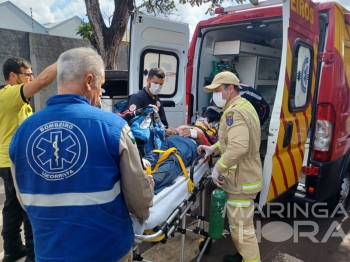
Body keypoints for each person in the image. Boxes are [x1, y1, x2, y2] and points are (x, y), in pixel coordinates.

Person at [9, 47, 153, 262]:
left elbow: (24, 198)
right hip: (106, 250)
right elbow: (137, 196)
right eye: (101, 85)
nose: (100, 93)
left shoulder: (22, 132)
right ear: (88, 82)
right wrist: (145, 209)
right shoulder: (113, 126)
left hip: (49, 252)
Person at [198, 71, 262, 262]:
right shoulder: (245, 106)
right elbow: (232, 142)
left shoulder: (233, 112)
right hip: (246, 176)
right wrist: (213, 149)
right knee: (241, 228)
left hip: (241, 181)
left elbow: (239, 147)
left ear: (230, 89)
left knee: (242, 231)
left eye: (217, 91)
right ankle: (243, 257)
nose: (214, 96)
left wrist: (218, 168)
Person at [0, 57, 57, 262]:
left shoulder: (10, 97)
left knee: (13, 206)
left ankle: (13, 249)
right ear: (13, 76)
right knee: (29, 208)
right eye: (28, 74)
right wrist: (64, 61)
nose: (32, 77)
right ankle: (33, 257)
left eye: (32, 73)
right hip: (15, 162)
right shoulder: (10, 94)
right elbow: (42, 82)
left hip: (7, 162)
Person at [127, 68, 177, 135]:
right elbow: (134, 125)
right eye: (155, 83)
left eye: (161, 84)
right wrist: (160, 131)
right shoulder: (137, 98)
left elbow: (163, 123)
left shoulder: (157, 101)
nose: (158, 87)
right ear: (148, 80)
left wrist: (167, 130)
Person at [204, 84, 270, 126]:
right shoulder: (216, 96)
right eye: (214, 91)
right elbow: (213, 110)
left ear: (230, 89)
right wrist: (205, 120)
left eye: (217, 90)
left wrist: (253, 126)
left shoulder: (247, 93)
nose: (215, 93)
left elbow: (264, 108)